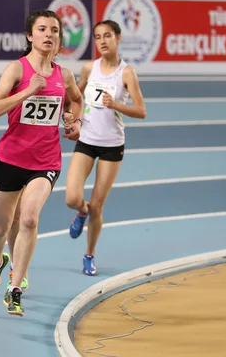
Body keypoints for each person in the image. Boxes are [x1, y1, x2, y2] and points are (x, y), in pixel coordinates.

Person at [0, 9, 83, 317]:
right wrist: (28, 91)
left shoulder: (64, 75)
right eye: (42, 29)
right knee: (1, 227)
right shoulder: (16, 70)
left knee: (28, 219)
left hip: (46, 160)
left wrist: (75, 121)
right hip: (11, 158)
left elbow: (76, 99)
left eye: (54, 30)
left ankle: (14, 290)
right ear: (30, 36)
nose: (49, 35)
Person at [65, 19, 146, 276]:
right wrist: (71, 116)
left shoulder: (126, 73)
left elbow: (141, 110)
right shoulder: (89, 68)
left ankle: (89, 255)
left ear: (118, 39)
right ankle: (81, 211)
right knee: (71, 198)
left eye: (107, 36)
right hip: (87, 140)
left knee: (99, 206)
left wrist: (116, 105)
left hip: (112, 145)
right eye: (98, 36)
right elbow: (76, 98)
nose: (102, 41)